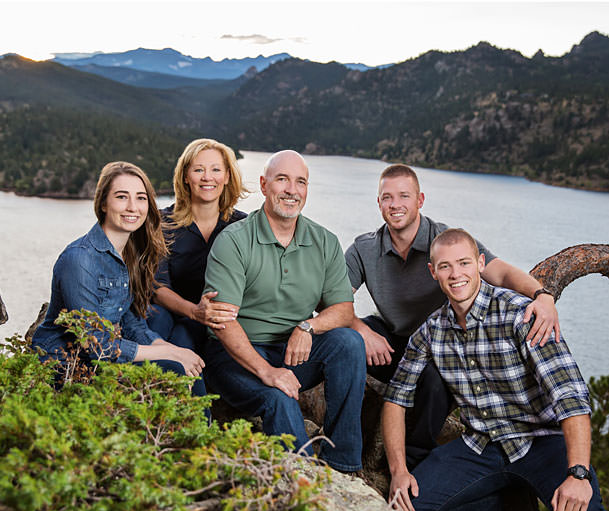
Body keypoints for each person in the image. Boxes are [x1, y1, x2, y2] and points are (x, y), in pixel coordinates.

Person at [346, 163, 555, 511]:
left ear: (420, 199)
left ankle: (418, 467)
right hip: (393, 341)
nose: (396, 204)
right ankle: (347, 451)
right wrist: (361, 329)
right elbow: (332, 299)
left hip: (440, 349)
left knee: (432, 376)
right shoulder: (364, 248)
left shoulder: (447, 243)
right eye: (387, 197)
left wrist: (542, 296)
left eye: (404, 196)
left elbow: (502, 273)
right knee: (345, 342)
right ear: (378, 204)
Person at [382, 228, 605, 511]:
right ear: (433, 272)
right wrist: (399, 471)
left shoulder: (521, 315)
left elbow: (570, 395)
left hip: (540, 441)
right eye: (445, 266)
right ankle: (499, 504)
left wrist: (578, 474)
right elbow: (395, 399)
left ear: (480, 264)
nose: (456, 274)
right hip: (480, 446)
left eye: (463, 263)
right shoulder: (430, 332)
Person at [202, 150, 366, 472]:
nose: (292, 189)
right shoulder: (234, 241)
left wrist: (307, 327)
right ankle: (302, 489)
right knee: (278, 397)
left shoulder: (324, 241)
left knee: (348, 343)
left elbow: (344, 310)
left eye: (300, 181)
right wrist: (267, 372)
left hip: (292, 352)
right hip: (236, 357)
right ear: (264, 185)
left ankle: (342, 464)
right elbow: (222, 322)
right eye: (282, 179)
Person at [32, 161, 206, 397]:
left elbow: (133, 323)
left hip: (101, 358)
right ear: (103, 203)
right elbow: (96, 345)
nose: (133, 207)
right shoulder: (80, 259)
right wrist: (171, 355)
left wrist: (175, 350)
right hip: (65, 363)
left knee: (187, 362)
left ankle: (203, 432)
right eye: (122, 197)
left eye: (141, 198)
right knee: (173, 368)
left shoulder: (132, 255)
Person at [148, 138, 247, 354]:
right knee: (162, 324)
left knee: (185, 336)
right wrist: (195, 312)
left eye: (215, 169)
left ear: (227, 176)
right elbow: (158, 288)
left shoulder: (243, 226)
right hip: (173, 312)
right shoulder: (162, 223)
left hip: (223, 320)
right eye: (198, 169)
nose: (207, 177)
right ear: (185, 176)